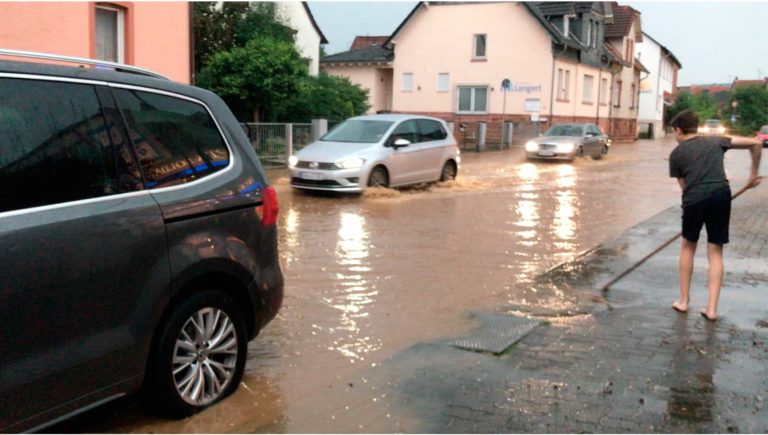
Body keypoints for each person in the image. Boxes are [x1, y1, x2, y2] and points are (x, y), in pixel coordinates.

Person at [668, 110, 762, 321]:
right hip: (721, 194)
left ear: (678, 130)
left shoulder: (676, 154)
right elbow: (755, 144)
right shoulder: (716, 141)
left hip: (694, 198)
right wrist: (753, 174)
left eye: (673, 132)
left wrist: (695, 203)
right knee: (715, 251)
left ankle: (683, 302)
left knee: (688, 246)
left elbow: (685, 187)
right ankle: (711, 310)